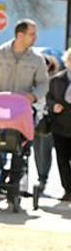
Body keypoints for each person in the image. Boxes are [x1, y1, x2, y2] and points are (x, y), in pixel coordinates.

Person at [0, 19, 49, 197]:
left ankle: (14, 182)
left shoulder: (37, 59)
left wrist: (33, 96)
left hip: (22, 113)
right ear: (20, 35)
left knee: (22, 147)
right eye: (32, 33)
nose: (35, 37)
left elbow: (43, 84)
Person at [46, 49, 71, 201]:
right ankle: (68, 190)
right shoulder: (56, 80)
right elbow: (48, 98)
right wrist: (53, 105)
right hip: (60, 127)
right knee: (62, 160)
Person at [34, 55, 61, 191]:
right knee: (37, 151)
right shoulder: (32, 81)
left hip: (47, 121)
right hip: (32, 119)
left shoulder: (54, 81)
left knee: (45, 150)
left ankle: (42, 178)